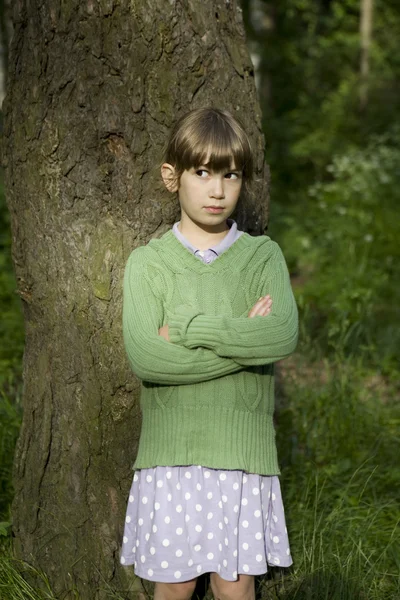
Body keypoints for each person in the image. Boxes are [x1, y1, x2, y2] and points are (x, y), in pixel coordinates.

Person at [120, 107, 299, 600]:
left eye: (230, 175)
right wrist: (244, 339)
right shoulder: (148, 264)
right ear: (171, 177)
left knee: (234, 590)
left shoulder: (264, 257)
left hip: (243, 456)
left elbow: (281, 335)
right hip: (171, 456)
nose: (217, 190)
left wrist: (185, 328)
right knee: (173, 590)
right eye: (202, 173)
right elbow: (147, 358)